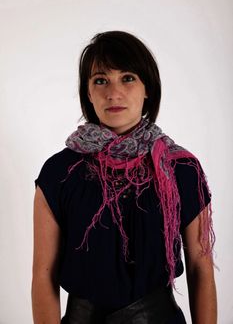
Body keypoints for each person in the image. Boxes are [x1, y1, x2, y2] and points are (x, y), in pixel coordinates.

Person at [31, 31, 217, 324]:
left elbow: (200, 267)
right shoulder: (58, 173)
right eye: (100, 80)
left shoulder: (181, 168)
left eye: (128, 78)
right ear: (88, 93)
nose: (113, 93)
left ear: (148, 89)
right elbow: (43, 274)